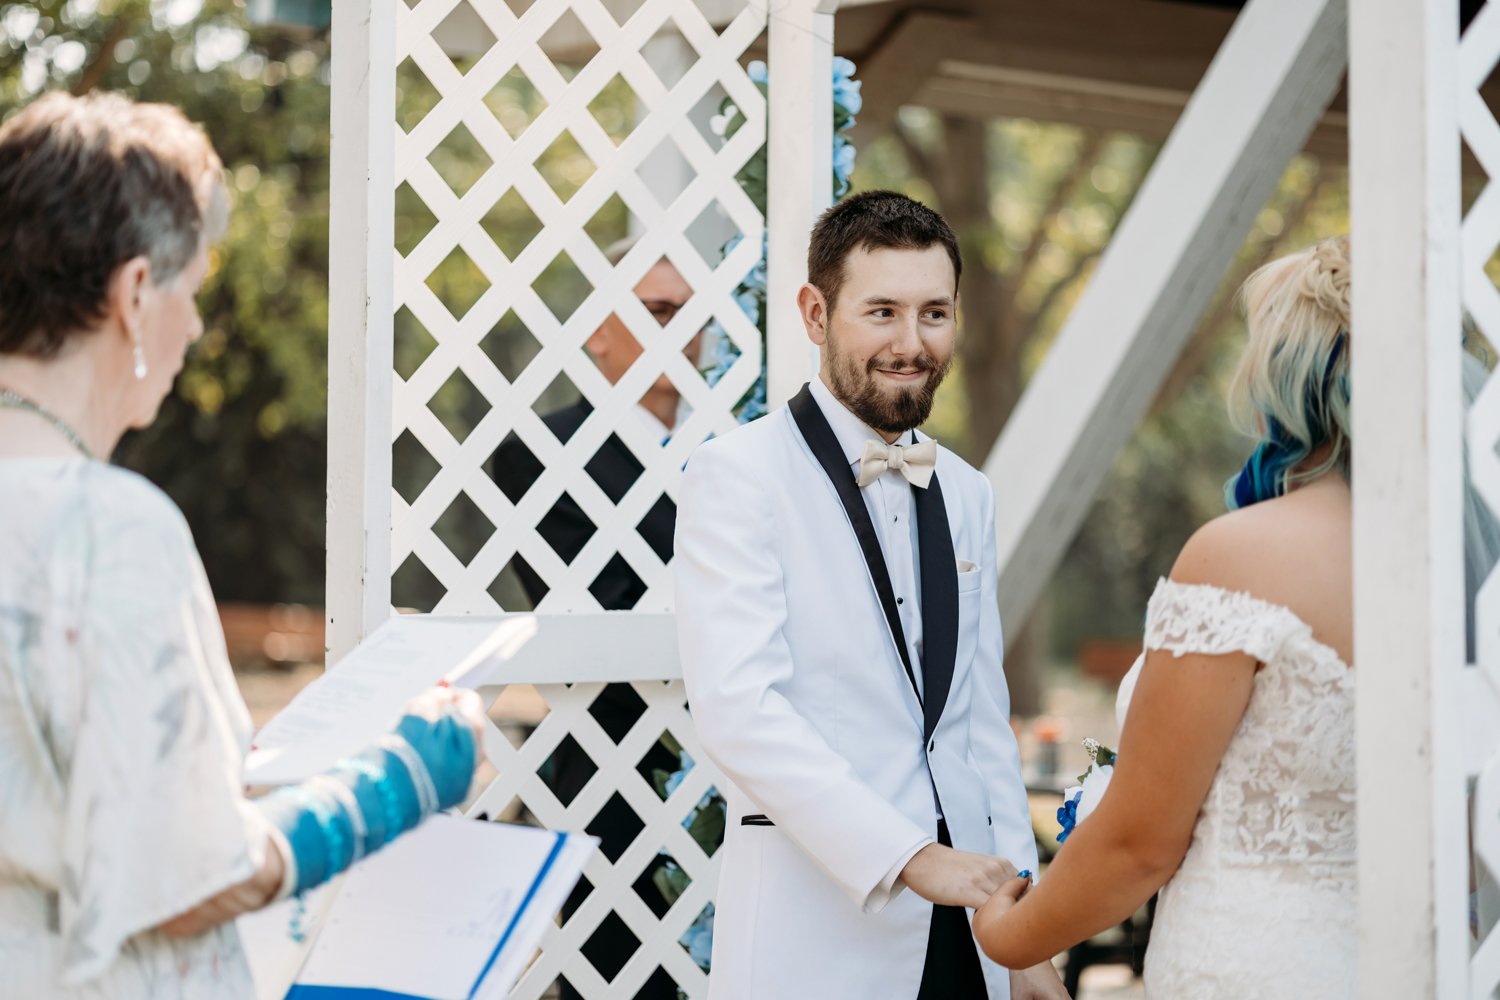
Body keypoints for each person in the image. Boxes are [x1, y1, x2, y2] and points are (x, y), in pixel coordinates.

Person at [0, 91, 485, 998]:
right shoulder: (111, 528)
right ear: (135, 294)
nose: (194, 328)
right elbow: (192, 875)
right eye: (193, 291)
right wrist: (400, 781)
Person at [674, 191, 1067, 999]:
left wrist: (1023, 933)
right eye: (881, 311)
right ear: (816, 314)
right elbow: (740, 711)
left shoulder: (968, 493)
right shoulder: (737, 476)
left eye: (934, 313)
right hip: (817, 935)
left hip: (971, 940)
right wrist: (912, 858)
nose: (910, 343)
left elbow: (980, 724)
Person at [973, 235, 1361, 998]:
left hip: (1256, 969)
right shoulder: (1467, 560)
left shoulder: (1241, 556)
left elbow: (1140, 846)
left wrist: (1003, 935)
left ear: (1281, 377)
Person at [491, 243, 699, 998]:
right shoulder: (539, 454)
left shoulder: (743, 448)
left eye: (690, 310)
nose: (681, 327)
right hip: (615, 782)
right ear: (598, 332)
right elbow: (595, 618)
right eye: (656, 309)